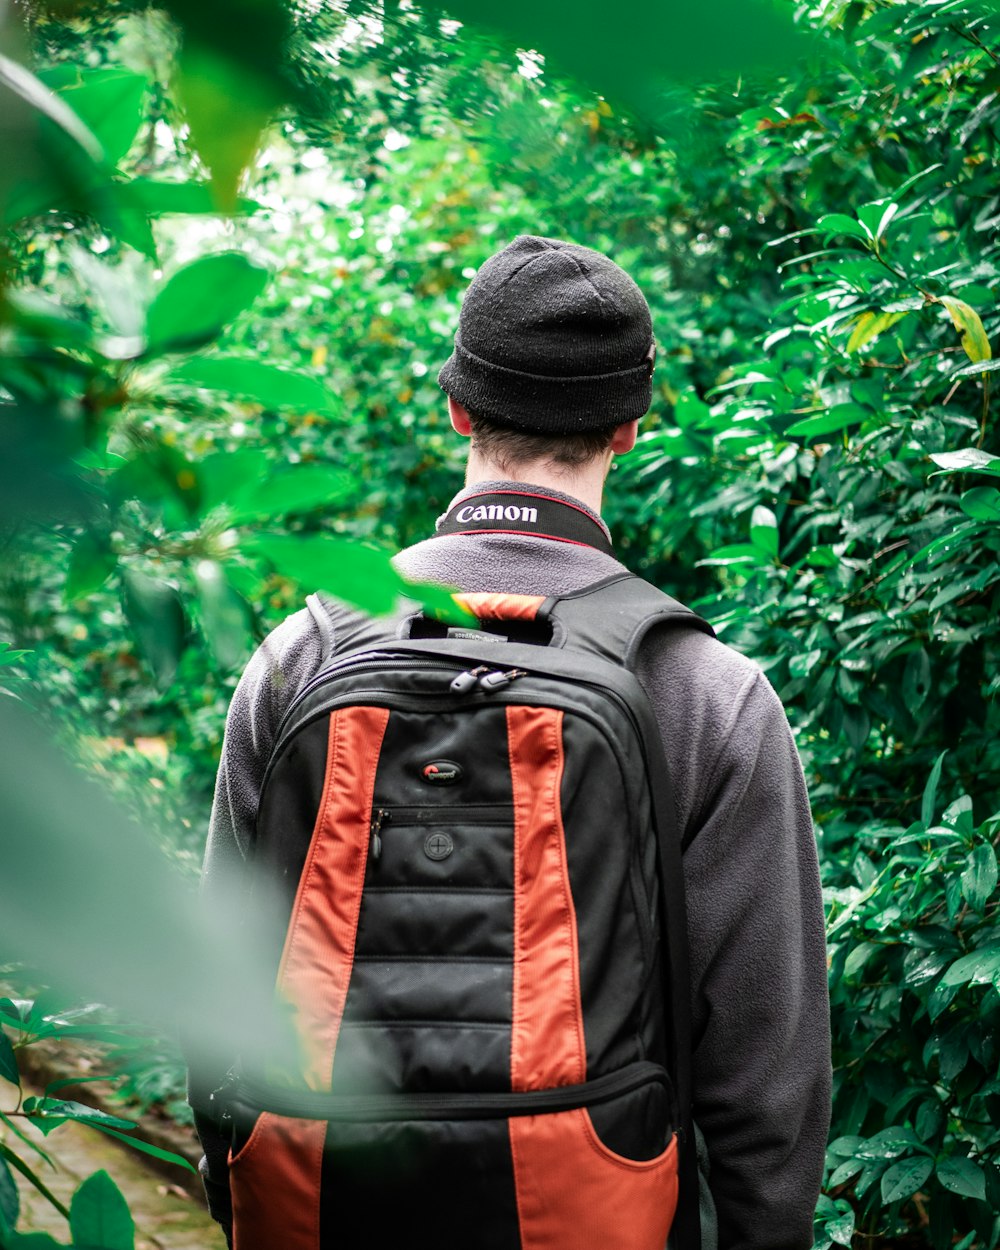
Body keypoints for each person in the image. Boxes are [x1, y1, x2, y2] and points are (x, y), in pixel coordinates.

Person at [190, 234, 831, 1250]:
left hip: (319, 1205)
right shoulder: (710, 692)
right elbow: (766, 1070)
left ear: (456, 408)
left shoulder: (297, 657)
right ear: (628, 428)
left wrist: (240, 1195)